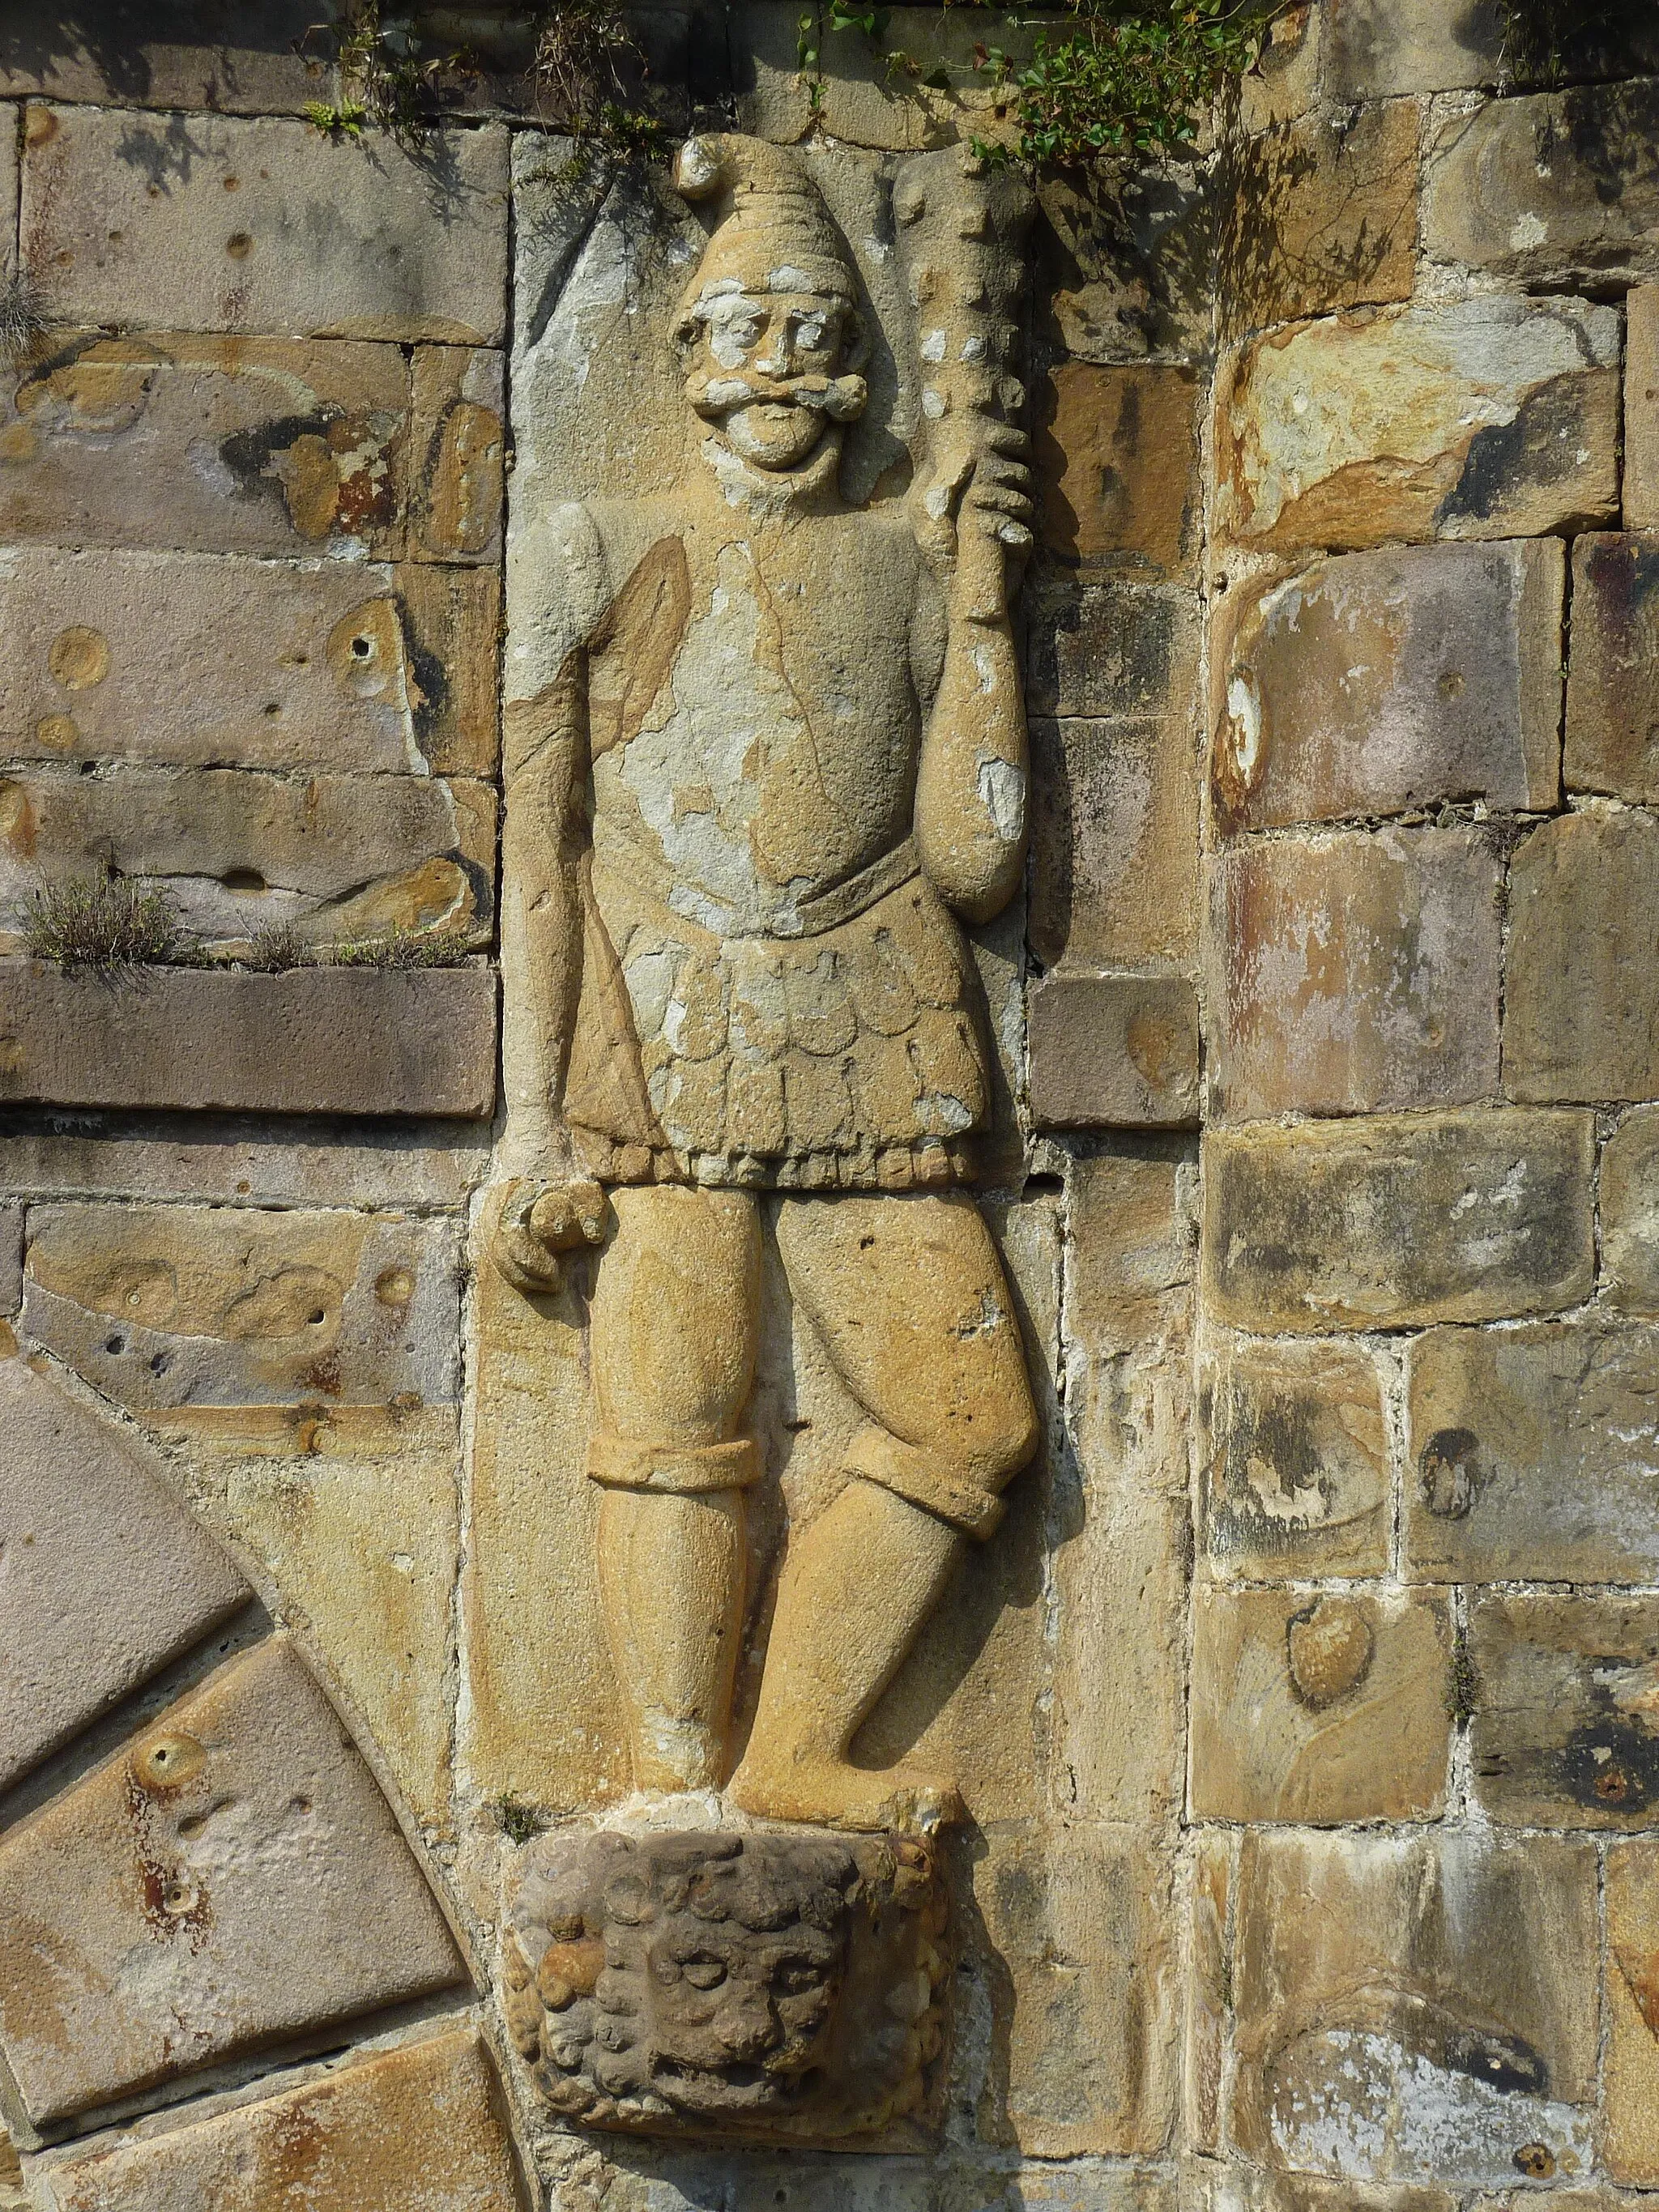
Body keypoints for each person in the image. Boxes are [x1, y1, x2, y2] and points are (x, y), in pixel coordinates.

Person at [495, 134, 1038, 1831]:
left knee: (971, 1417)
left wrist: (983, 613)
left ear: (866, 371)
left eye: (820, 338)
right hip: (654, 1012)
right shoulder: (589, 545)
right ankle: (673, 1783)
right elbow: (536, 851)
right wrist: (526, 1127)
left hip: (873, 1005)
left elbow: (975, 860)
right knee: (675, 1413)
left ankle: (796, 1750)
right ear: (685, 366)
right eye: (745, 337)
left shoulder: (902, 559)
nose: (782, 373)